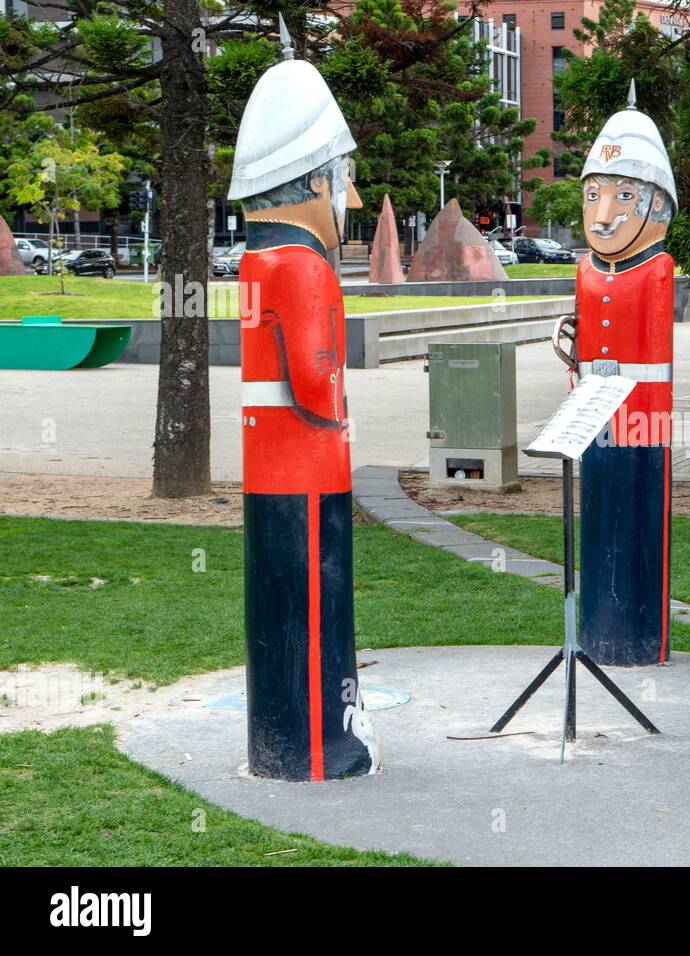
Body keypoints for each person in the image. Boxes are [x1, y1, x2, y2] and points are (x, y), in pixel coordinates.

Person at [228, 19, 375, 781]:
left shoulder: (255, 261)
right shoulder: (305, 268)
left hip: (265, 469)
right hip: (311, 472)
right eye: (341, 175)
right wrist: (341, 409)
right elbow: (319, 382)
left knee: (280, 601)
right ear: (313, 180)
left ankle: (282, 739)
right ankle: (324, 747)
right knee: (317, 602)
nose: (349, 195)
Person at [573, 82, 677, 666]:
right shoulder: (587, 272)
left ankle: (637, 635)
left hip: (642, 423)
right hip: (593, 416)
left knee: (636, 520)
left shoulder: (656, 268)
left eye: (622, 196)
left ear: (656, 206)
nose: (604, 214)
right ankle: (599, 629)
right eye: (593, 195)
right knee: (599, 520)